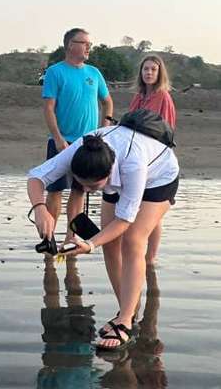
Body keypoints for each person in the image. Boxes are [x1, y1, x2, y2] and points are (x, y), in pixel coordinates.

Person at [27, 125, 179, 351]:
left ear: (108, 173)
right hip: (116, 179)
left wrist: (89, 244)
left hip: (159, 177)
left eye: (93, 186)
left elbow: (125, 221)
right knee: (110, 246)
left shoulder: (132, 164)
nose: (87, 191)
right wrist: (40, 208)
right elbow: (36, 176)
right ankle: (127, 312)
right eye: (82, 184)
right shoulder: (80, 150)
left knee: (133, 241)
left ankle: (125, 323)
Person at [41, 28, 114, 245]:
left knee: (79, 190)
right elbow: (48, 107)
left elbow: (107, 101)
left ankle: (70, 237)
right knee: (55, 191)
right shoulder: (55, 72)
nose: (88, 47)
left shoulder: (94, 73)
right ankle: (49, 238)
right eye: (84, 43)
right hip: (62, 141)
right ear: (70, 45)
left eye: (89, 43)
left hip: (88, 144)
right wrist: (58, 137)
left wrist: (104, 130)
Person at [129, 55, 176, 264]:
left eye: (153, 70)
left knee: (154, 208)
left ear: (159, 73)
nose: (149, 73)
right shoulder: (138, 97)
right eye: (146, 69)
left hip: (155, 156)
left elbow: (167, 129)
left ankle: (151, 257)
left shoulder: (163, 96)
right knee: (141, 205)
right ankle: (142, 254)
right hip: (137, 156)